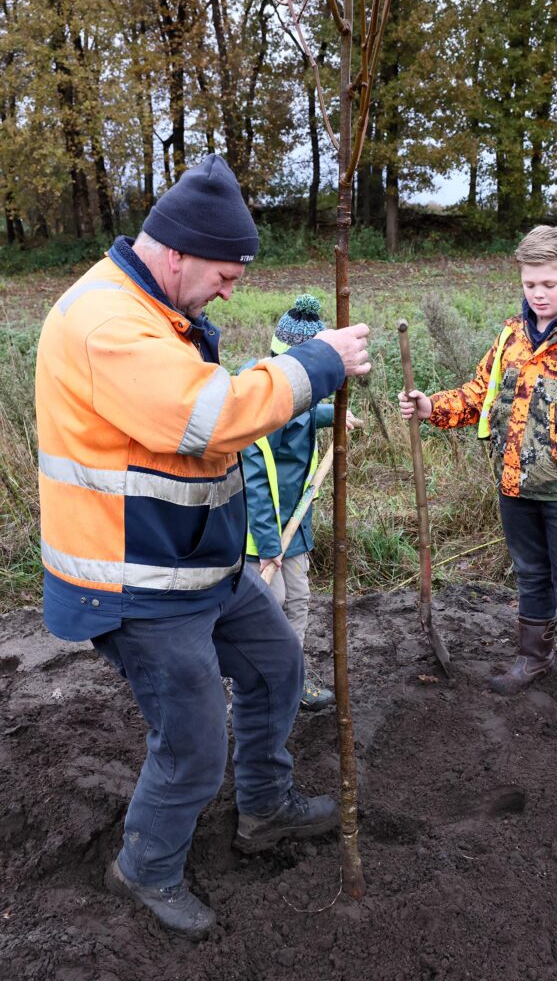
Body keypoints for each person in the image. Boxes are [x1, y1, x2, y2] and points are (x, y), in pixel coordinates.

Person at [35, 154, 371, 940]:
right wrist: (315, 364)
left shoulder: (156, 310)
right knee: (189, 739)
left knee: (276, 666)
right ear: (177, 252)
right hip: (134, 581)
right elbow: (203, 418)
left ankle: (265, 808)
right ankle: (144, 870)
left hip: (198, 568)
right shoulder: (106, 323)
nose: (231, 289)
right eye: (225, 274)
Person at [399, 225, 557, 727]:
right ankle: (534, 658)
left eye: (549, 284)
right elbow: (479, 394)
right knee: (531, 576)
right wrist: (430, 406)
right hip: (515, 487)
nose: (538, 294)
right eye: (530, 284)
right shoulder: (512, 337)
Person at [241, 295, 362, 712]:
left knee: (297, 602)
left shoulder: (298, 400)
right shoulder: (255, 410)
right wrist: (268, 548)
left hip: (295, 528)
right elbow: (255, 485)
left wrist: (335, 414)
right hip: (262, 535)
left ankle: (292, 680)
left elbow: (306, 412)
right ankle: (255, 691)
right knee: (266, 612)